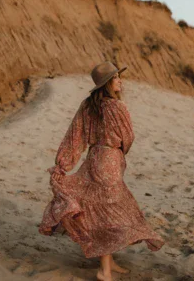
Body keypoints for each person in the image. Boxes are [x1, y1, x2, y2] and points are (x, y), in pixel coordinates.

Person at [39, 61, 164, 281]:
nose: (120, 81)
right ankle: (104, 270)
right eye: (116, 78)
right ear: (107, 83)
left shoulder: (87, 106)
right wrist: (118, 150)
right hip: (110, 161)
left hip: (93, 158)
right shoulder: (118, 107)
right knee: (108, 213)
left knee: (99, 208)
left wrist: (63, 165)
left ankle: (110, 262)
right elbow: (128, 138)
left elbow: (74, 137)